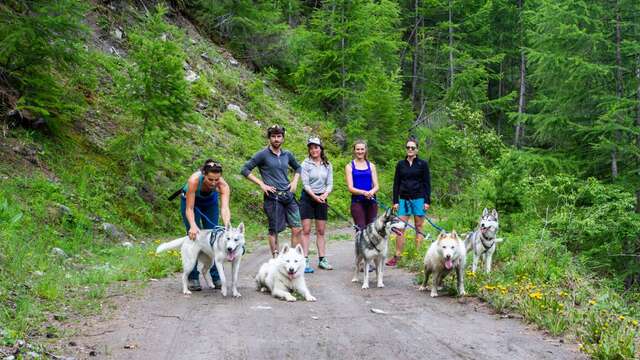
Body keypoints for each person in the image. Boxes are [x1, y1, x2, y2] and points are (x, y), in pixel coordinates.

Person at [241, 125, 302, 258]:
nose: (276, 139)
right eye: (273, 136)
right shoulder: (262, 154)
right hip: (272, 197)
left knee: (297, 228)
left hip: (288, 195)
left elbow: (298, 167)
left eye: (279, 136)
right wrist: (261, 184)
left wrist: (295, 181)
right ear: (269, 138)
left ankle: (292, 258)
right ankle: (276, 259)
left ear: (283, 138)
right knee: (274, 230)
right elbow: (245, 169)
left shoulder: (287, 154)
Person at [181, 159, 231, 291]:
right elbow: (189, 208)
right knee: (194, 236)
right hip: (191, 203)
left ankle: (216, 276)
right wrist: (192, 225)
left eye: (217, 180)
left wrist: (227, 226)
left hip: (210, 202)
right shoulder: (194, 181)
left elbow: (225, 208)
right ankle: (193, 277)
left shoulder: (223, 186)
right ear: (204, 174)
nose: (214, 183)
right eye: (210, 180)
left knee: (215, 235)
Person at [386, 137, 431, 267]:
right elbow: (396, 183)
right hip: (404, 199)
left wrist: (427, 201)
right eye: (408, 147)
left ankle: (418, 255)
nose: (410, 150)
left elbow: (427, 183)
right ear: (406, 149)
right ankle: (398, 255)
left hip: (419, 199)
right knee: (399, 227)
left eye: (413, 148)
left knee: (419, 226)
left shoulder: (422, 164)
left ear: (417, 149)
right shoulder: (400, 164)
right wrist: (395, 201)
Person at [300, 136, 334, 273]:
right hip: (308, 198)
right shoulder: (305, 164)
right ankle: (305, 260)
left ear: (321, 149)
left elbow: (330, 183)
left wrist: (325, 195)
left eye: (316, 147)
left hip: (322, 198)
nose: (314, 150)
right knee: (306, 230)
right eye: (311, 147)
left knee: (321, 231)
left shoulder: (327, 164)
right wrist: (315, 196)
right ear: (309, 149)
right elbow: (306, 184)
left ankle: (322, 259)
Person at [345, 140, 380, 230]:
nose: (360, 151)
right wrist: (364, 193)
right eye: (357, 149)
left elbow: (376, 186)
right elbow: (350, 188)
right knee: (360, 229)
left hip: (371, 202)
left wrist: (371, 192)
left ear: (365, 150)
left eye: (362, 149)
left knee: (372, 230)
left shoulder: (371, 166)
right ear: (354, 151)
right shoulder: (349, 166)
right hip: (357, 202)